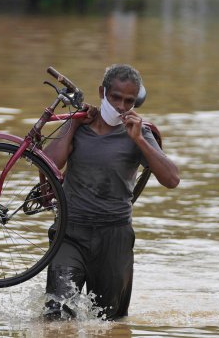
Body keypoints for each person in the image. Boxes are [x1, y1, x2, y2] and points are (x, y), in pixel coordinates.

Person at [42, 64, 180, 321]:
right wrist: (73, 125)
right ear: (102, 92)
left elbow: (172, 179)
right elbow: (48, 164)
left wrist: (139, 140)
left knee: (109, 323)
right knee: (57, 317)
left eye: (129, 101)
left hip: (114, 237)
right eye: (115, 97)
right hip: (70, 233)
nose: (120, 106)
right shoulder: (79, 126)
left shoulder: (140, 133)